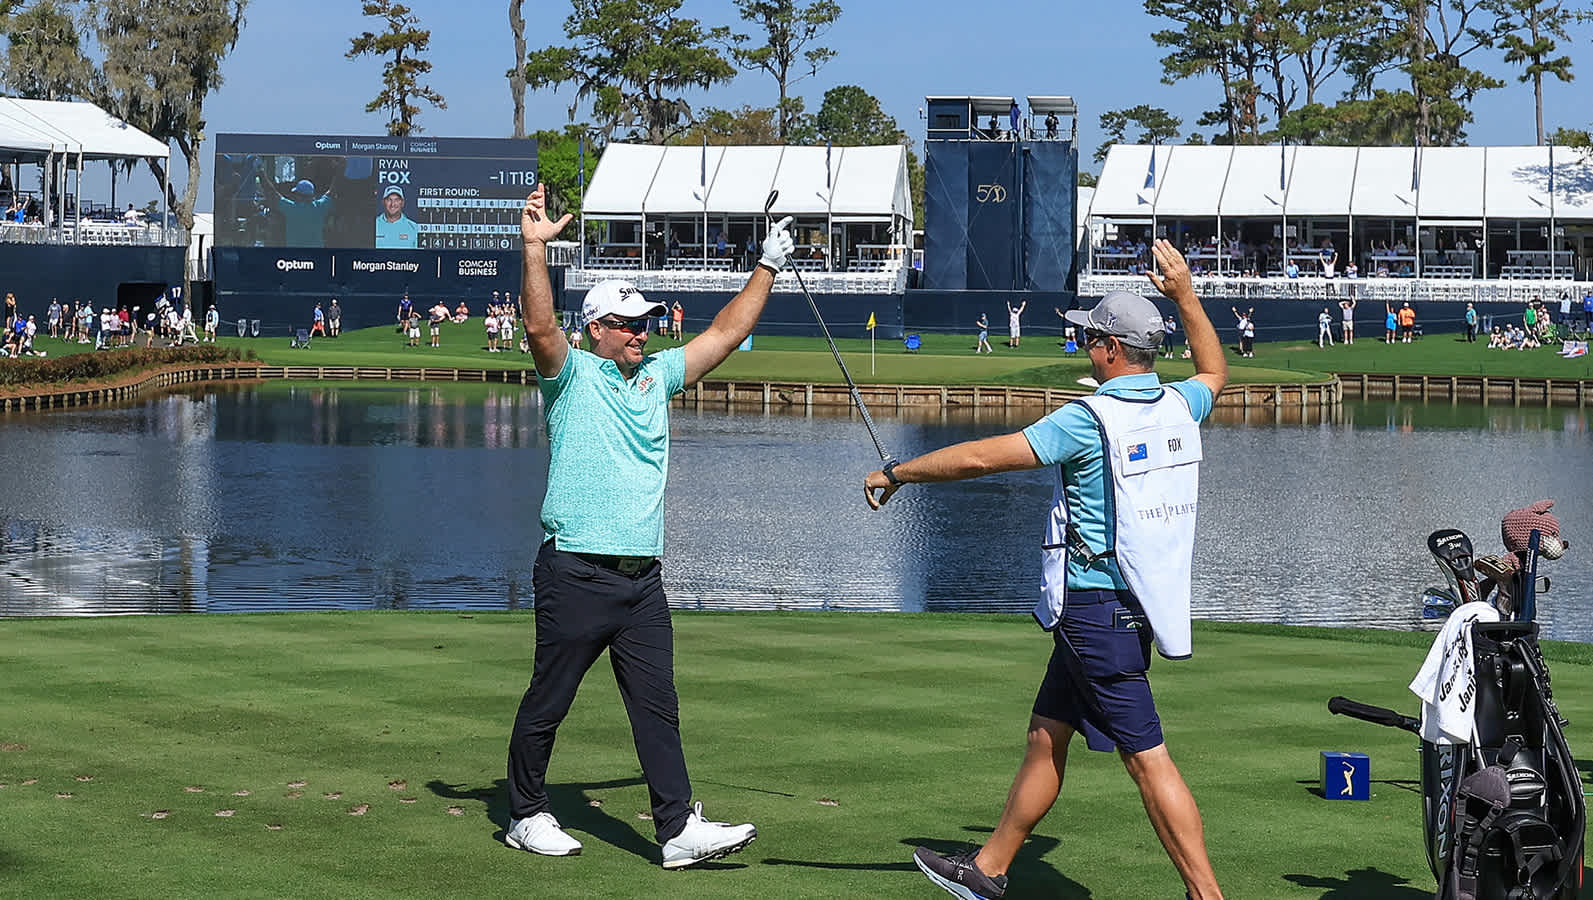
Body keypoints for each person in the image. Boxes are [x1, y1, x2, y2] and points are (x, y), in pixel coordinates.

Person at [870, 240, 1228, 900]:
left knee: (1146, 760)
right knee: (1045, 736)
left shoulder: (1087, 418)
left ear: (1112, 350)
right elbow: (1213, 370)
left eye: (1091, 336)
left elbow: (983, 459)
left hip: (1096, 611)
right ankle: (989, 869)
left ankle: (1206, 896)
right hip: (1119, 608)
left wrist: (899, 472)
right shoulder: (1181, 404)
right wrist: (1185, 295)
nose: (1084, 344)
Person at [504, 183, 794, 869]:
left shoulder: (657, 377)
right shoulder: (570, 375)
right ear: (596, 328)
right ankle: (523, 812)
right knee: (549, 700)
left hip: (642, 580)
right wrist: (533, 249)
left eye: (646, 323)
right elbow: (541, 329)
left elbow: (724, 333)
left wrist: (769, 265)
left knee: (657, 709)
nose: (642, 332)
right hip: (576, 568)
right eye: (628, 323)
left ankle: (674, 830)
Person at [261, 168, 334, 247]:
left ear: (299, 196)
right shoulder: (320, 207)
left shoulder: (291, 208)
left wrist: (261, 172)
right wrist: (342, 167)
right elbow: (332, 190)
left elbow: (271, 192)